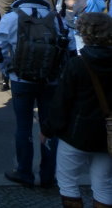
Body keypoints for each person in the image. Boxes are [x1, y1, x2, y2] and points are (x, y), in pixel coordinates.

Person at [0, 0, 75, 188]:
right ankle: (48, 174)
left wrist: (8, 70)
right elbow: (69, 46)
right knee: (49, 125)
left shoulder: (12, 17)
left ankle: (24, 171)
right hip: (50, 79)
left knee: (23, 125)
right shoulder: (55, 17)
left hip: (21, 78)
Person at [41, 12, 112, 208]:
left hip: (76, 131)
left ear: (85, 34)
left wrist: (47, 129)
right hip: (107, 133)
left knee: (67, 182)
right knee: (104, 185)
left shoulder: (77, 64)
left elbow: (61, 102)